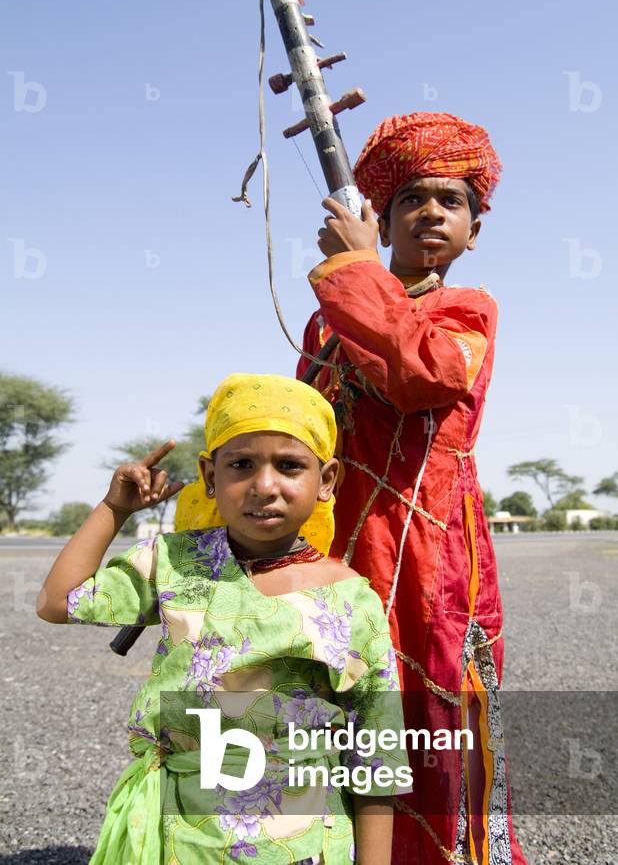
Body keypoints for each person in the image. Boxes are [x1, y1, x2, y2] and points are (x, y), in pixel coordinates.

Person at [36, 373, 409, 865]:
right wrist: (113, 509)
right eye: (241, 465)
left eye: (290, 466)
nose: (265, 485)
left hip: (298, 842)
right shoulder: (172, 562)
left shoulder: (348, 598)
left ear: (325, 481)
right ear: (211, 477)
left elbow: (376, 752)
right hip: (179, 836)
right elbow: (58, 602)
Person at [296, 113, 528, 865]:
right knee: (324, 695)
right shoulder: (325, 321)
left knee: (420, 704)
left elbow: (421, 375)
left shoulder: (468, 312)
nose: (432, 211)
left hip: (429, 545)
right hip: (335, 540)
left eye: (451, 201)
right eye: (413, 199)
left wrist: (356, 271)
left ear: (474, 230)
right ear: (383, 218)